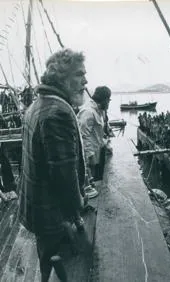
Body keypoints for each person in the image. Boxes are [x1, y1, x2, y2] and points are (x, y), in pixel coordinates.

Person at [18, 49, 87, 282]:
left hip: (37, 209)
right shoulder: (58, 113)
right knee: (64, 268)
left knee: (46, 263)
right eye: (79, 74)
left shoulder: (37, 106)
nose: (85, 81)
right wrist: (78, 205)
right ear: (61, 78)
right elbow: (64, 176)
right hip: (53, 216)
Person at [77, 86, 111, 197]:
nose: (109, 103)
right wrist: (90, 156)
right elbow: (83, 135)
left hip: (97, 151)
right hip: (89, 156)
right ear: (104, 99)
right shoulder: (88, 111)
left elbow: (97, 133)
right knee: (90, 181)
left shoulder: (98, 110)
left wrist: (105, 142)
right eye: (109, 100)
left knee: (97, 181)